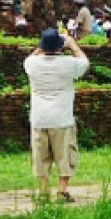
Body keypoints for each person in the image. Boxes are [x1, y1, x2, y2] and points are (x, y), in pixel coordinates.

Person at [24, 30, 89, 202]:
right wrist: (72, 44)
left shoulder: (31, 64)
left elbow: (32, 55)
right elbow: (85, 62)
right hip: (62, 117)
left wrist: (43, 45)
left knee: (40, 156)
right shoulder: (68, 63)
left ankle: (43, 190)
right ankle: (62, 190)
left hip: (39, 117)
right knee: (64, 155)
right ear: (60, 47)